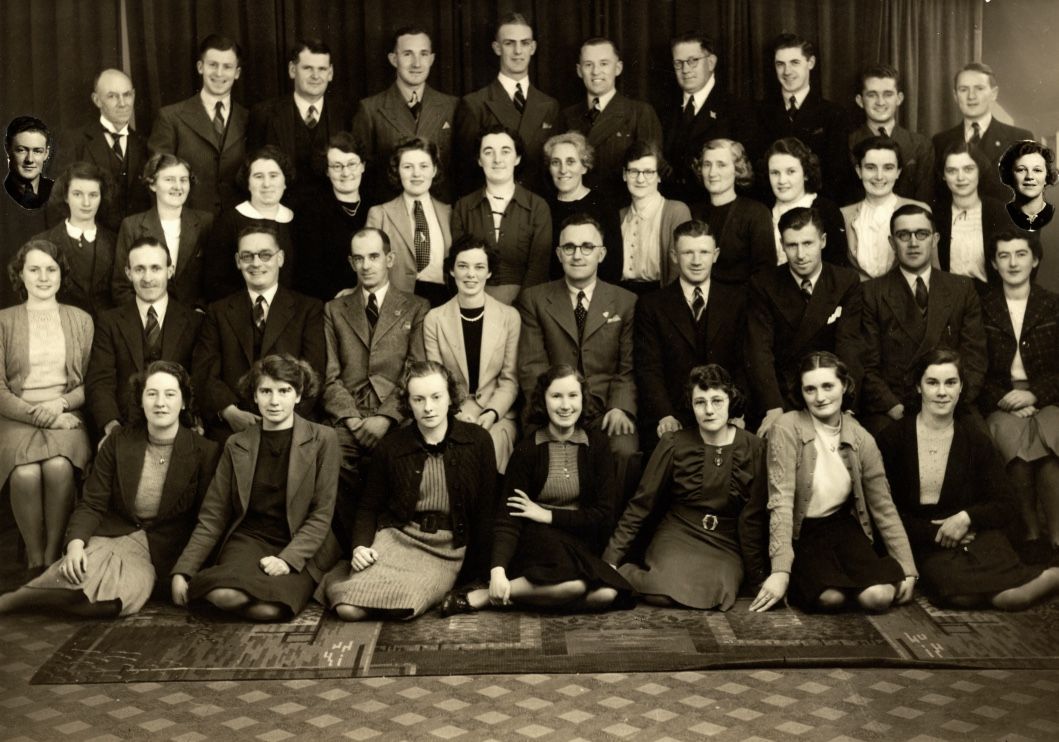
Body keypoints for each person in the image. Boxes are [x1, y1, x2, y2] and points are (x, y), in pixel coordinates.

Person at [0, 362, 219, 616]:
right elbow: (92, 502)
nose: (161, 402)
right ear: (141, 400)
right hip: (112, 535)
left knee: (114, 600)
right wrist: (75, 545)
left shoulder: (205, 451)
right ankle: (18, 600)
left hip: (157, 552)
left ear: (183, 402)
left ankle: (37, 602)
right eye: (152, 394)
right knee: (75, 573)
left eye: (170, 394)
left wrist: (185, 571)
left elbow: (206, 522)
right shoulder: (118, 441)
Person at [878, 348, 1059, 610]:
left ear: (961, 388)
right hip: (925, 542)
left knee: (1012, 598)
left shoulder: (975, 439)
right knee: (959, 597)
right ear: (918, 387)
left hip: (977, 535)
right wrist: (935, 532)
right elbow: (884, 511)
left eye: (951, 383)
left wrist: (966, 518)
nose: (942, 392)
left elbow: (1006, 504)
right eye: (932, 383)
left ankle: (1054, 575)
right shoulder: (893, 439)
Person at [319, 361, 497, 621]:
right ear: (408, 403)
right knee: (348, 608)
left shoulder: (478, 441)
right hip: (398, 538)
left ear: (450, 397)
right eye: (418, 399)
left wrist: (480, 574)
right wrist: (359, 547)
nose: (428, 407)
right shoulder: (392, 446)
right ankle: (344, 575)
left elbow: (486, 511)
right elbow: (369, 507)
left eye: (436, 397)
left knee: (403, 606)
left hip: (446, 549)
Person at [446, 364, 630, 615]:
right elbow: (507, 517)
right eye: (556, 396)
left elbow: (604, 514)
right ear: (544, 400)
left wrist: (548, 515)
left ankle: (500, 594)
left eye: (572, 396)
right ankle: (492, 593)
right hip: (537, 542)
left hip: (578, 541)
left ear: (583, 399)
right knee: (573, 588)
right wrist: (498, 569)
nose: (565, 405)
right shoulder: (529, 448)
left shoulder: (596, 444)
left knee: (607, 594)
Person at [172, 354, 338, 621]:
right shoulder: (237, 443)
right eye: (266, 391)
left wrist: (287, 559)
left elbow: (321, 514)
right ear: (254, 396)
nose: (274, 401)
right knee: (225, 594)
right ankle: (232, 593)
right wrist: (184, 570)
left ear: (298, 395)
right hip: (249, 539)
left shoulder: (323, 439)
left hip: (301, 543)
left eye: (284, 391)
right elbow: (213, 516)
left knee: (271, 609)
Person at [749, 351, 917, 613]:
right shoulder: (786, 428)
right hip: (801, 533)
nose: (820, 397)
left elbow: (883, 506)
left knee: (880, 597)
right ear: (801, 393)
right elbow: (780, 502)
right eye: (810, 389)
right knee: (830, 599)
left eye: (828, 386)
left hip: (842, 529)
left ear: (845, 386)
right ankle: (820, 584)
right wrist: (781, 571)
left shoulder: (861, 437)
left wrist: (907, 566)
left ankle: (851, 585)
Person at [604, 364, 767, 610]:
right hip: (679, 533)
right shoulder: (674, 443)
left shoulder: (754, 447)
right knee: (661, 592)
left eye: (717, 401)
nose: (709, 410)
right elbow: (641, 504)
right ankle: (628, 574)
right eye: (700, 402)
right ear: (691, 405)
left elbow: (752, 517)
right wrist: (611, 559)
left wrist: (758, 578)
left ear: (731, 400)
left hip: (725, 541)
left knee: (717, 592)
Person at [322, 228, 428, 549]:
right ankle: (350, 548)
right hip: (349, 416)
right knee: (328, 456)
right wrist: (351, 419)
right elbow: (329, 374)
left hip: (396, 416)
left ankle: (388, 545)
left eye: (374, 256)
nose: (366, 265)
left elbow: (415, 370)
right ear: (351, 263)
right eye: (359, 258)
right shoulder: (334, 309)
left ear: (389, 259)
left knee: (400, 464)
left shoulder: (415, 307)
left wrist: (386, 417)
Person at [517, 213, 638, 493]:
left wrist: (620, 406)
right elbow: (532, 366)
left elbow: (627, 367)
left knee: (625, 450)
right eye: (569, 247)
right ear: (559, 254)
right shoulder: (534, 299)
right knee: (541, 449)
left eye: (587, 247)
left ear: (602, 254)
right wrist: (557, 407)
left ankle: (612, 529)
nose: (578, 255)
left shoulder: (625, 301)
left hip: (605, 407)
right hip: (552, 407)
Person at [0, 240, 93, 567]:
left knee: (58, 467)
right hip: (16, 415)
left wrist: (62, 405)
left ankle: (54, 555)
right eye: (34, 269)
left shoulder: (81, 320)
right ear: (20, 275)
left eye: (50, 269)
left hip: (65, 411)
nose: (43, 277)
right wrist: (45, 418)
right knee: (24, 474)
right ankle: (34, 559)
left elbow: (89, 383)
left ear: (61, 274)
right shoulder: (3, 321)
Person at [859, 204, 987, 436]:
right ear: (891, 242)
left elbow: (975, 358)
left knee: (984, 450)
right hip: (895, 407)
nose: (913, 243)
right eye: (903, 235)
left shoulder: (961, 288)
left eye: (922, 234)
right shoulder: (871, 292)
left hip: (951, 402)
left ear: (935, 239)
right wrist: (893, 406)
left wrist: (951, 402)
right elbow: (867, 365)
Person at [192, 224, 324, 441]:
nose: (256, 263)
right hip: (232, 429)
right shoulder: (218, 311)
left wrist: (281, 420)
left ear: (280, 258)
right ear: (237, 261)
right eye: (247, 256)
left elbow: (314, 374)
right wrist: (229, 412)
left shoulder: (308, 309)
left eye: (265, 255)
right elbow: (204, 372)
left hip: (292, 427)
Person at [980, 232, 1059, 563]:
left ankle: (1056, 539)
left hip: (1048, 397)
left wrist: (1035, 395)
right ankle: (1029, 536)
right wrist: (1004, 398)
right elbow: (973, 367)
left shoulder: (1052, 305)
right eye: (1004, 256)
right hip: (1000, 401)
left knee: (1051, 445)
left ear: (1035, 259)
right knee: (1014, 445)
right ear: (994, 264)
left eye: (1021, 254)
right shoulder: (982, 307)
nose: (1013, 263)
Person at [747, 207, 862, 434]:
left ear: (823, 241)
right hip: (783, 394)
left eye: (807, 244)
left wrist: (846, 406)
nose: (800, 255)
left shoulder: (845, 281)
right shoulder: (763, 284)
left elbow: (849, 346)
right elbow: (759, 350)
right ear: (782, 245)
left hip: (829, 392)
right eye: (792, 245)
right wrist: (773, 407)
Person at [636, 219, 746, 450]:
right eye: (688, 253)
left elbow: (744, 363)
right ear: (674, 256)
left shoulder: (737, 300)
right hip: (674, 416)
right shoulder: (652, 305)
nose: (696, 261)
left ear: (715, 255)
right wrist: (664, 415)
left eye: (704, 252)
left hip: (726, 412)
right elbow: (649, 368)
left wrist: (736, 411)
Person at [87, 238, 203, 440]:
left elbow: (200, 379)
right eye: (139, 269)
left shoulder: (194, 321)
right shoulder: (109, 321)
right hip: (125, 427)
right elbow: (100, 381)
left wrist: (195, 421)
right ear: (128, 273)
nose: (147, 278)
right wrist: (111, 425)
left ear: (170, 270)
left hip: (179, 426)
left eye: (156, 268)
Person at [424, 236, 520, 472]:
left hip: (496, 413)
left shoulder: (509, 317)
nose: (470, 274)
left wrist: (491, 413)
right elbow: (435, 380)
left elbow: (509, 380)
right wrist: (455, 413)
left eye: (479, 267)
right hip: (450, 412)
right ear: (451, 270)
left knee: (490, 448)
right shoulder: (434, 319)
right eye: (463, 266)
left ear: (489, 273)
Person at [455, 12, 559, 195]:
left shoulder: (550, 105)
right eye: (509, 43)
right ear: (497, 48)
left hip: (538, 210)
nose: (518, 51)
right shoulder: (474, 104)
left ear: (533, 47)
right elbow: (466, 174)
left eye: (525, 43)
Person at [352, 26, 458, 203]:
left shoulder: (452, 106)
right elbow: (364, 178)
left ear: (432, 59)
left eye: (423, 54)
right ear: (394, 59)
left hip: (440, 214)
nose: (417, 63)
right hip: (391, 215)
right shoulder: (370, 109)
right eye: (408, 54)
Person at [148, 34, 248, 214]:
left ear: (237, 73)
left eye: (227, 67)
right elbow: (158, 178)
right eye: (212, 65)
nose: (219, 73)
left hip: (236, 225)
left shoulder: (248, 118)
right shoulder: (170, 117)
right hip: (188, 225)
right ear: (200, 67)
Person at [452, 125, 551, 305]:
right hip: (472, 301)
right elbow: (459, 264)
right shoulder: (463, 207)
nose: (497, 159)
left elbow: (539, 267)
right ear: (479, 160)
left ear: (517, 158)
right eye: (488, 152)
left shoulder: (537, 206)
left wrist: (522, 308)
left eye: (505, 151)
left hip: (525, 304)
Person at [248, 39, 351, 205]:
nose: (316, 76)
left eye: (322, 69)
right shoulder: (264, 114)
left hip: (333, 214)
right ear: (292, 70)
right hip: (279, 213)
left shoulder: (347, 114)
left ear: (330, 73)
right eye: (308, 68)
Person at [558, 37, 663, 198]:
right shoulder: (567, 116)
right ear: (579, 71)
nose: (595, 71)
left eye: (604, 64)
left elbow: (650, 173)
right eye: (588, 64)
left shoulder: (640, 113)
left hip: (622, 210)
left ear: (618, 68)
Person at [51, 69, 150, 232]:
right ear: (97, 100)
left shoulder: (145, 144)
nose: (123, 103)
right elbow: (58, 203)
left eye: (127, 95)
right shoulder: (74, 142)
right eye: (112, 96)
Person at [112, 153, 213, 309]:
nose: (178, 187)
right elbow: (121, 287)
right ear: (152, 184)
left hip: (195, 320)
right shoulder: (132, 226)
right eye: (169, 180)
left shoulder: (206, 222)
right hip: (147, 322)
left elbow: (214, 281)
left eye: (183, 180)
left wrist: (199, 311)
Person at [756, 34, 849, 202]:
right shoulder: (758, 112)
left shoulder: (834, 114)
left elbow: (837, 175)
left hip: (816, 209)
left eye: (795, 63)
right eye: (780, 64)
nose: (787, 72)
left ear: (811, 63)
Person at [365, 137, 452, 307]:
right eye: (407, 167)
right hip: (394, 303)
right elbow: (369, 265)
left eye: (424, 166)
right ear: (397, 170)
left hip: (442, 302)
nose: (416, 174)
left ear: (434, 170)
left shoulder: (449, 212)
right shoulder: (380, 214)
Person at [932, 62, 1034, 205]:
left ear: (994, 94)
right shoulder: (940, 142)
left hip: (1002, 227)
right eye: (963, 89)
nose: (971, 96)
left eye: (979, 88)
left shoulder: (1019, 139)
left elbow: (1032, 202)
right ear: (955, 96)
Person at [662, 32, 745, 206]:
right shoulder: (664, 109)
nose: (685, 69)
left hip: (718, 209)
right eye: (678, 63)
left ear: (711, 62)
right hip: (674, 210)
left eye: (693, 61)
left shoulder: (736, 108)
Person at [205, 146, 298, 301]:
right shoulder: (228, 221)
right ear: (247, 183)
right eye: (258, 176)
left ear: (285, 181)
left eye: (274, 175)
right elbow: (215, 282)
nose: (266, 184)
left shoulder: (296, 220)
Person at [294, 132, 372, 302]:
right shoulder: (312, 211)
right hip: (332, 301)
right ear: (327, 171)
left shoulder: (375, 206)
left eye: (352, 164)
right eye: (337, 166)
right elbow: (309, 270)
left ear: (363, 166)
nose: (346, 173)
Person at [33, 161, 117, 318]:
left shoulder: (116, 242)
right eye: (77, 194)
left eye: (93, 195)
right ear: (65, 196)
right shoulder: (42, 243)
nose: (86, 203)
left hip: (106, 336)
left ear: (101, 196)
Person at [841, 136, 931, 280]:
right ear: (859, 171)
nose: (879, 176)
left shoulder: (918, 210)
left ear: (898, 172)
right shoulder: (843, 215)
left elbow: (933, 270)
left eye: (888, 168)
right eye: (870, 168)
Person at [688, 138, 774, 287]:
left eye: (721, 165)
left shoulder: (756, 213)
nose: (712, 172)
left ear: (737, 169)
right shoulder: (692, 213)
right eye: (707, 164)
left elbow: (764, 274)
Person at [847, 64, 934, 205]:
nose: (880, 102)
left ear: (899, 99)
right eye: (872, 95)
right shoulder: (847, 143)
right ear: (860, 101)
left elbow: (924, 200)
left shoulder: (920, 145)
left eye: (888, 94)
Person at [542, 131, 622, 283]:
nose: (563, 170)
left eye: (571, 161)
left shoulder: (604, 205)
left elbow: (613, 265)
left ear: (584, 167)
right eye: (555, 162)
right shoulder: (543, 206)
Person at [617, 140, 692, 294]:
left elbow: (679, 271)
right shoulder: (620, 216)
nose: (640, 179)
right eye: (633, 171)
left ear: (659, 176)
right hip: (622, 297)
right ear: (625, 175)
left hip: (660, 297)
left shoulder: (676, 211)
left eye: (648, 172)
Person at [934, 141, 1008, 287]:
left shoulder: (999, 212)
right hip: (948, 298)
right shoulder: (936, 215)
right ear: (943, 175)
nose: (960, 178)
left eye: (968, 169)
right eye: (952, 171)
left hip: (991, 298)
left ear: (979, 171)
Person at [765, 137, 848, 268]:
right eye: (775, 173)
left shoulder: (826, 209)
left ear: (806, 174)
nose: (781, 180)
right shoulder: (763, 211)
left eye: (791, 172)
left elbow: (836, 266)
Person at [1000, 140, 1057, 232]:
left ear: (1047, 177)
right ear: (1010, 176)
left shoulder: (1056, 215)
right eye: (1021, 170)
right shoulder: (999, 215)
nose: (1029, 176)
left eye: (1037, 170)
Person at [5, 116, 54, 210]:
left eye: (37, 151)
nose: (30, 159)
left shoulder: (58, 192)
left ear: (46, 153)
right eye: (21, 150)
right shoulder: (3, 193)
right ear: (8, 149)